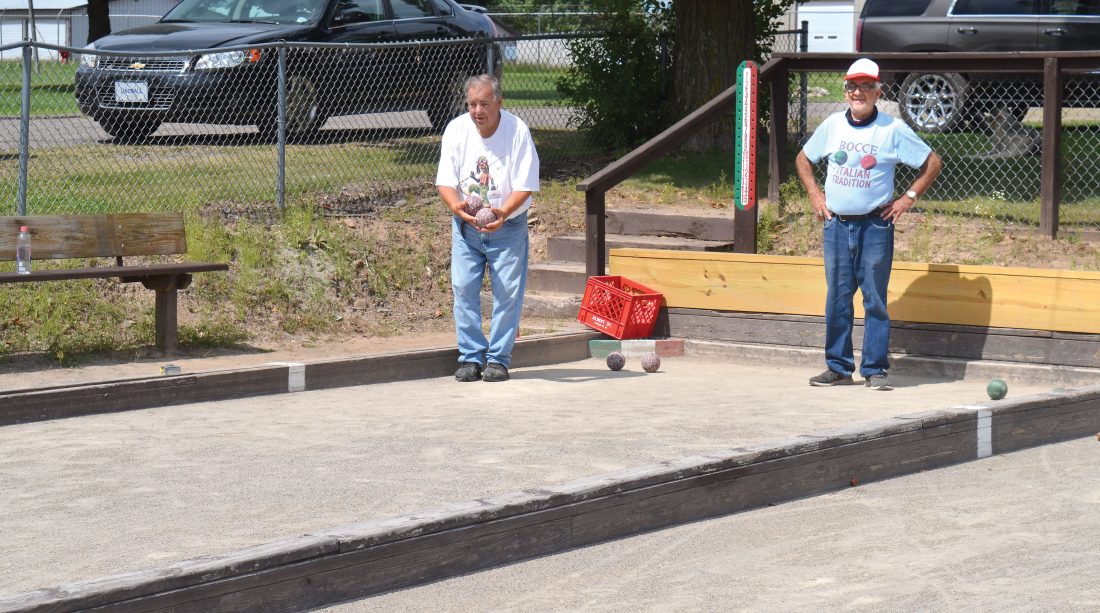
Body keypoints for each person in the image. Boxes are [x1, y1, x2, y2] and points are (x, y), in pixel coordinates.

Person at [795, 58, 943, 391]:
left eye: (865, 86)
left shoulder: (892, 129)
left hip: (875, 226)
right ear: (845, 91)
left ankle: (875, 369)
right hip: (836, 225)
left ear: (879, 91)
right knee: (837, 298)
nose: (858, 92)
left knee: (874, 299)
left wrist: (907, 198)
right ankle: (838, 367)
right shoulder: (833, 125)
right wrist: (816, 195)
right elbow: (803, 158)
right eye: (852, 86)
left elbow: (933, 162)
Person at [435, 74, 540, 383]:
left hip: (508, 226)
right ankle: (470, 357)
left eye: (484, 103)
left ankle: (498, 359)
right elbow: (445, 181)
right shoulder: (456, 130)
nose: (477, 111)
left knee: (507, 293)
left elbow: (525, 185)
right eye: (472, 104)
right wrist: (457, 208)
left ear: (499, 102)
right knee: (463, 288)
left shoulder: (517, 131)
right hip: (466, 227)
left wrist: (503, 212)